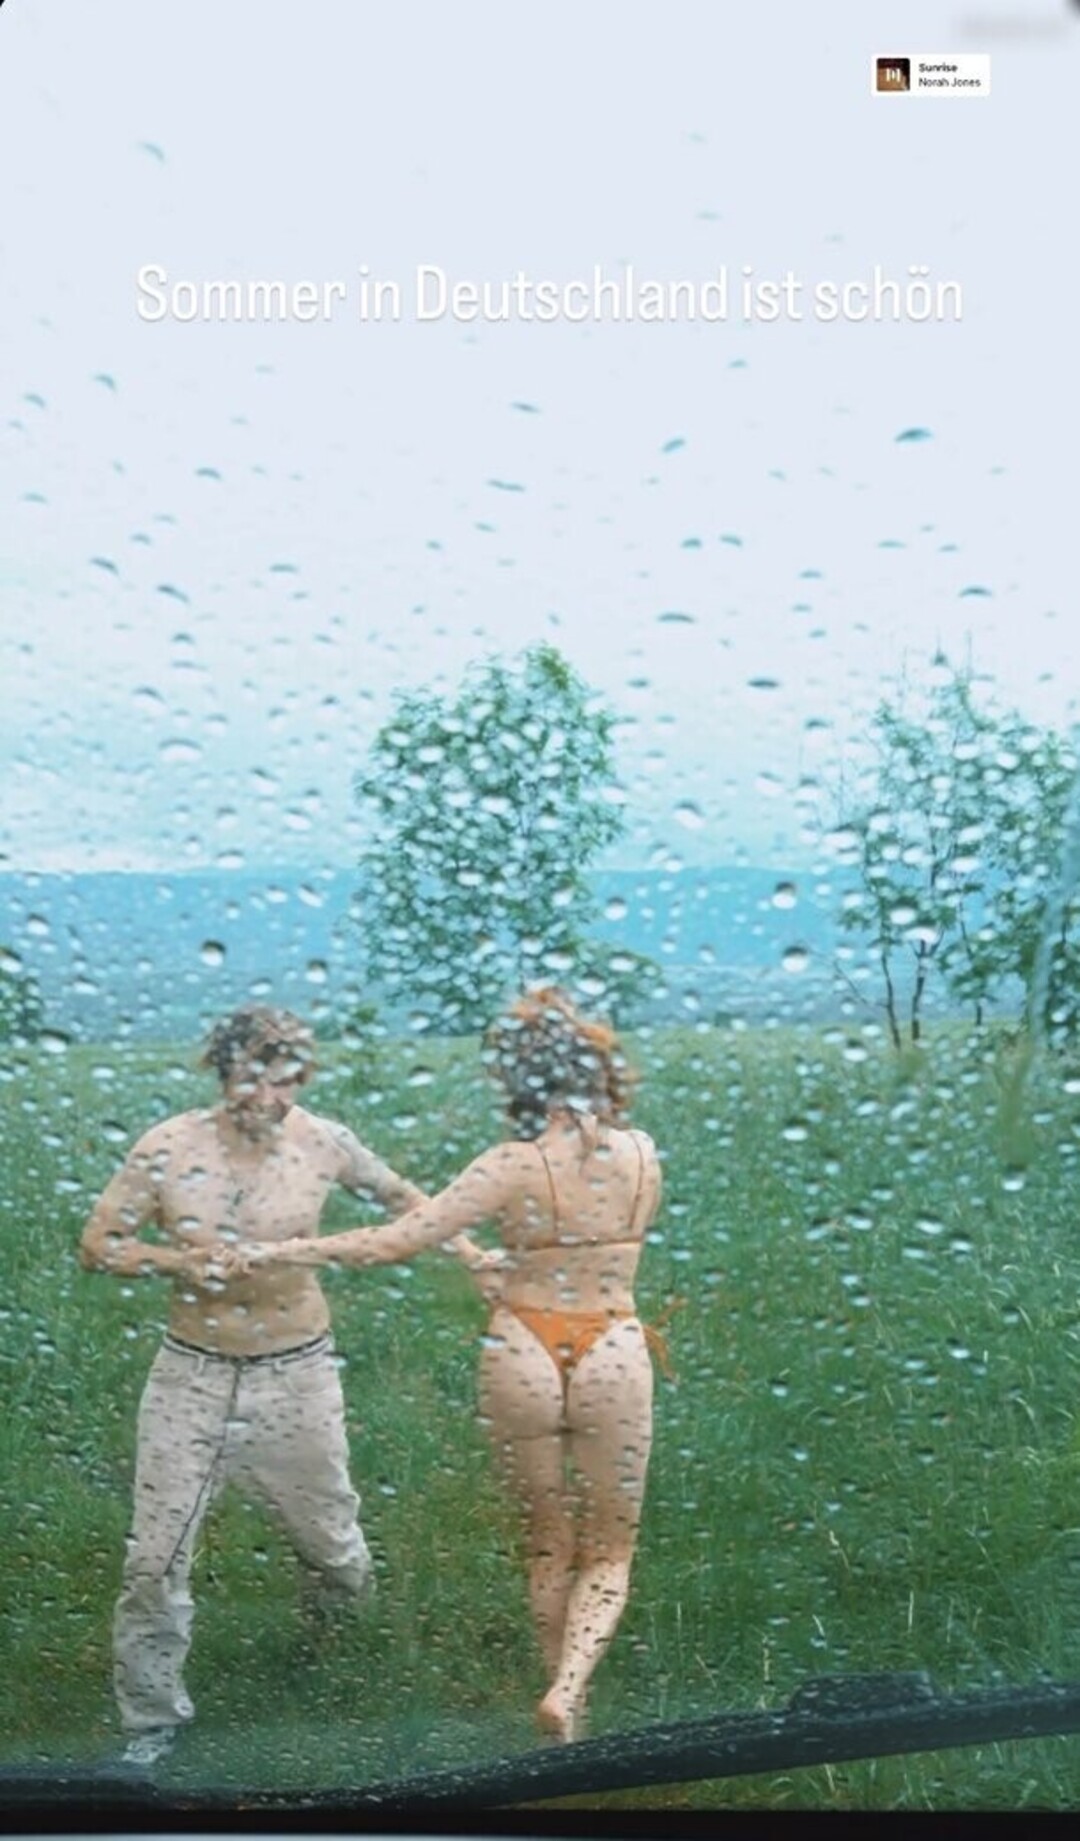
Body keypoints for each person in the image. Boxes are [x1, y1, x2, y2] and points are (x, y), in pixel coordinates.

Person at [231, 988, 662, 1743]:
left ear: (518, 1083)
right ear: (602, 1072)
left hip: (523, 1344)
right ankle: (569, 1687)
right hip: (614, 1346)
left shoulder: (510, 1164)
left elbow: (391, 1241)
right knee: (610, 1549)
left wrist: (284, 1250)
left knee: (547, 1542)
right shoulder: (642, 1153)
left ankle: (564, 1710)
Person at [79, 1002, 482, 1769]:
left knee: (333, 1549)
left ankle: (341, 1659)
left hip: (298, 1372)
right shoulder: (168, 1146)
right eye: (250, 1079)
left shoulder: (324, 1141)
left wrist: (474, 1256)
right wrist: (180, 1262)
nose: (267, 1098)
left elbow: (407, 1201)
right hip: (192, 1373)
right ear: (221, 1070)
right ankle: (150, 1722)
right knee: (154, 1557)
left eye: (285, 1081)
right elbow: (100, 1243)